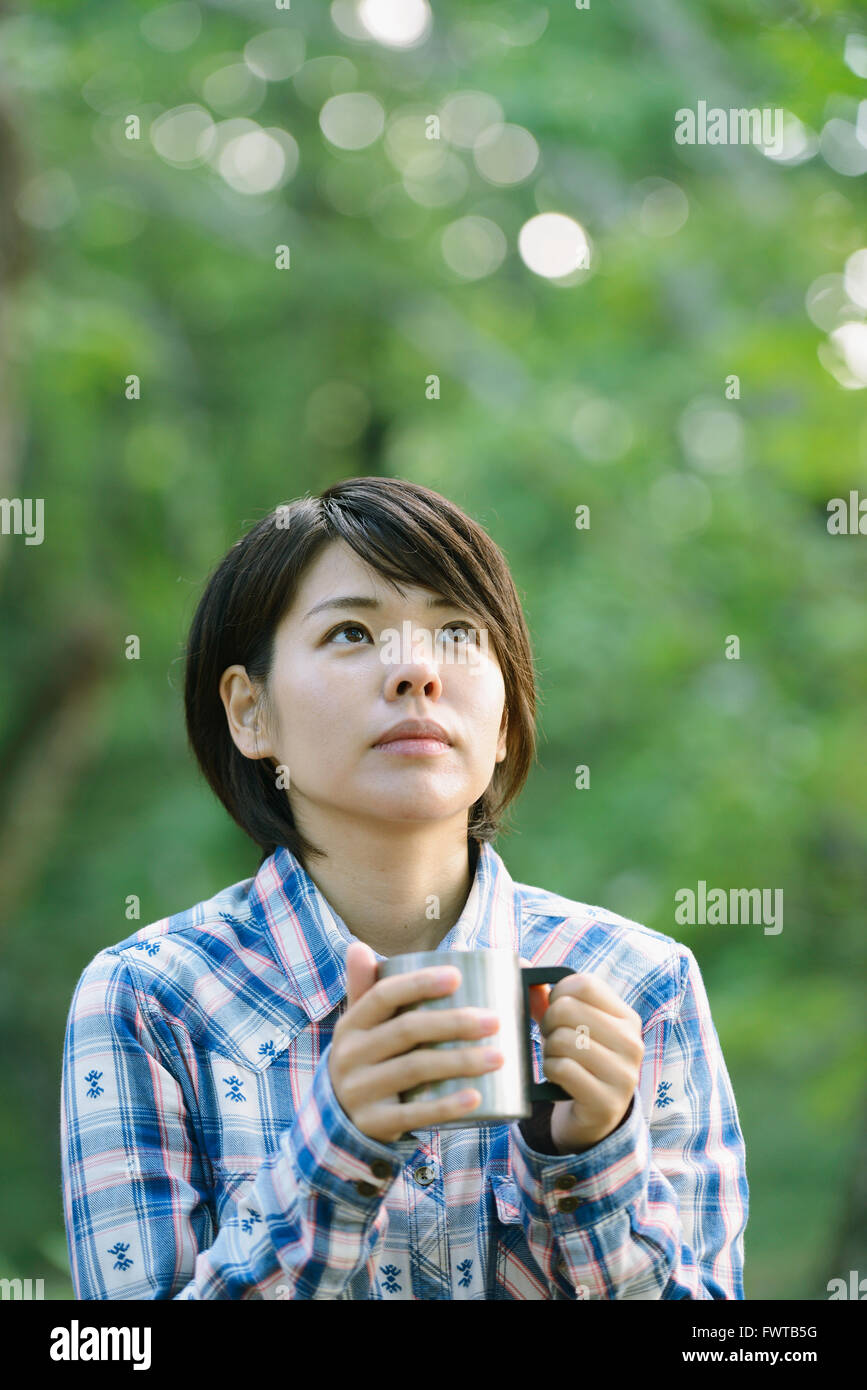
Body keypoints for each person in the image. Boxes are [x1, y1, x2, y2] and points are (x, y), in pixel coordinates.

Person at [60, 475, 748, 1299]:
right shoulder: (150, 999)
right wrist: (338, 1146)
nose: (416, 670)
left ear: (502, 720)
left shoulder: (637, 983)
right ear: (250, 713)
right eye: (352, 632)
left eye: (458, 633)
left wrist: (594, 1158)